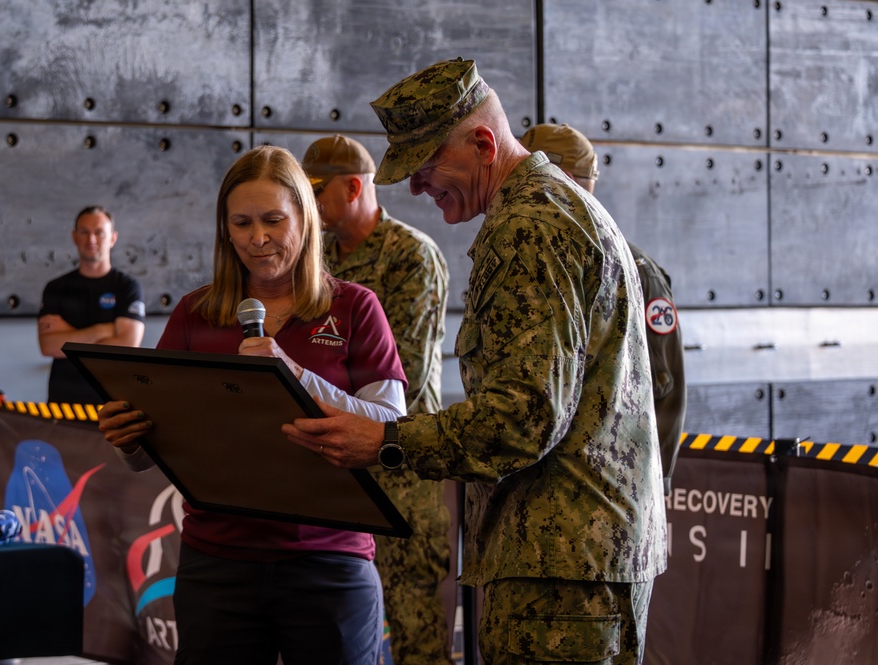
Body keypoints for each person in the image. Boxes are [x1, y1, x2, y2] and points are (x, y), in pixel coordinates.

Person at [283, 58, 668, 664]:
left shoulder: (530, 227)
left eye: (426, 166)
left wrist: (384, 440)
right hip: (571, 556)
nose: (415, 188)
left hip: (559, 564)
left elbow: (521, 418)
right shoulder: (551, 209)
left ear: (484, 144)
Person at [97, 144, 408, 665]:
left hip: (329, 560)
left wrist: (293, 375)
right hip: (219, 562)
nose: (257, 239)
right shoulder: (196, 312)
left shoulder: (355, 307)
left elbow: (389, 426)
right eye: (241, 223)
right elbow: (153, 447)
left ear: (305, 220)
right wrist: (129, 438)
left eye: (272, 220)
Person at [302, 135, 454, 665]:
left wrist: (307, 380)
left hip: (401, 468)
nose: (308, 205)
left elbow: (400, 376)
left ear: (352, 186)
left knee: (415, 630)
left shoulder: (411, 256)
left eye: (316, 191)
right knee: (335, 634)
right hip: (333, 467)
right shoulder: (313, 259)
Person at [520, 123, 687, 495]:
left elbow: (666, 387)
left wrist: (650, 490)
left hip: (608, 494)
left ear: (558, 177)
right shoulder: (530, 261)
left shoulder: (632, 269)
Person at [37, 206, 145, 404]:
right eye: (84, 232)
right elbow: (48, 346)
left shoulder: (127, 287)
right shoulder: (56, 288)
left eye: (99, 233)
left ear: (113, 238)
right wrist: (103, 330)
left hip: (113, 402)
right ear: (74, 236)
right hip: (64, 404)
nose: (91, 239)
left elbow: (128, 345)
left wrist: (69, 337)